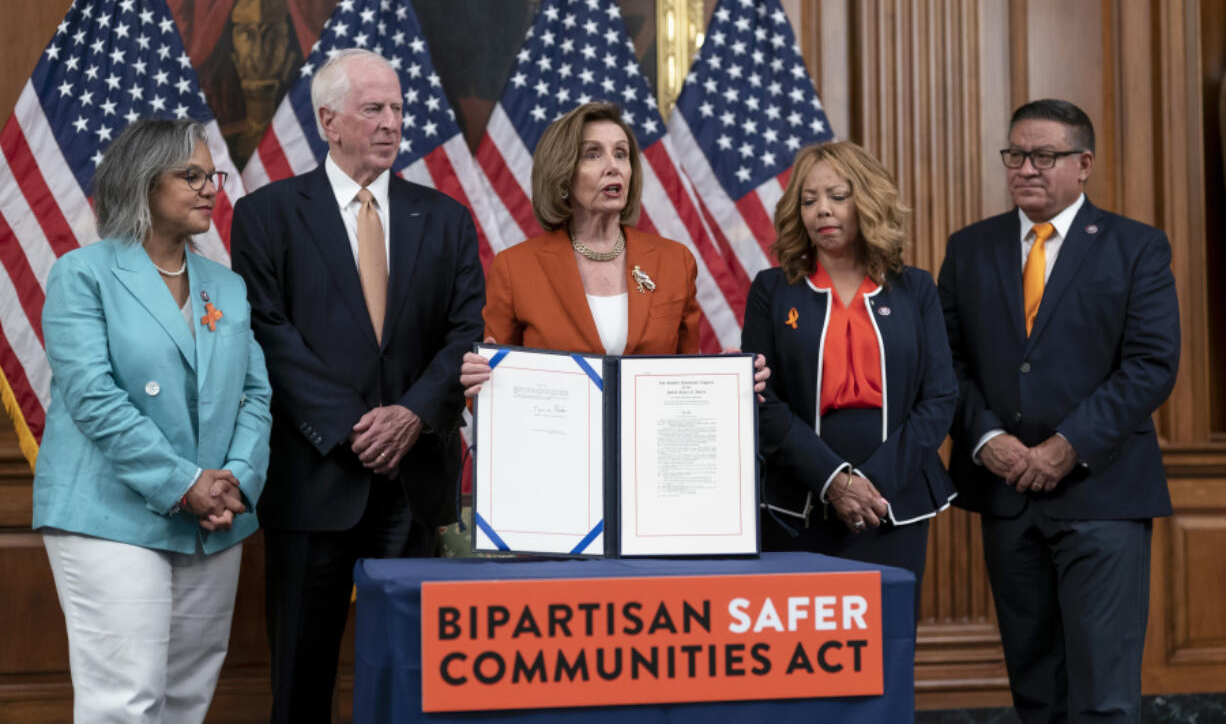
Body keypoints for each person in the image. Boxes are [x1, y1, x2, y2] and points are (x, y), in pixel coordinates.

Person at [229, 49, 484, 723]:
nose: (392, 122)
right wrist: (353, 426)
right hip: (314, 480)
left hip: (413, 480)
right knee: (301, 683)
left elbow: (464, 335)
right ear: (328, 121)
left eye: (398, 108)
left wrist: (410, 414)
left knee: (412, 682)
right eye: (374, 108)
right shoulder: (267, 215)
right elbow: (267, 333)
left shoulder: (446, 218)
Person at [939, 99, 1180, 724]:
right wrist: (985, 435)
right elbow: (946, 365)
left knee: (1103, 699)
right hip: (1006, 497)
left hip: (1102, 496)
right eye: (1015, 155)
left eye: (1044, 156)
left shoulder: (1136, 248)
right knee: (1037, 693)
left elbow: (1151, 366)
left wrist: (1066, 445)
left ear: (1084, 164)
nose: (1026, 168)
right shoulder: (969, 249)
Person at [33, 119, 272, 723]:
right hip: (109, 514)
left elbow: (255, 395)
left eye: (211, 175)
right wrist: (186, 484)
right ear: (142, 183)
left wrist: (236, 481)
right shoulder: (82, 275)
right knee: (127, 701)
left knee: (186, 702)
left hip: (213, 521)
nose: (209, 189)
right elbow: (94, 400)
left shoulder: (228, 287)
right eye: (189, 176)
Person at [740, 141, 957, 605]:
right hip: (797, 504)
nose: (822, 210)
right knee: (801, 661)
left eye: (838, 196)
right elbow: (760, 401)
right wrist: (834, 481)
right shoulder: (773, 290)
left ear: (868, 200)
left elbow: (939, 398)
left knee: (885, 654)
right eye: (809, 199)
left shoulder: (915, 288)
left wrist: (868, 488)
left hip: (890, 503)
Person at [460, 101, 766, 393]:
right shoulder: (516, 269)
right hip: (561, 445)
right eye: (593, 155)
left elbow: (684, 377)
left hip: (649, 444)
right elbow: (490, 393)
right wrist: (479, 382)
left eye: (621, 154)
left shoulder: (674, 262)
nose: (614, 166)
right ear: (562, 175)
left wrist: (733, 380)